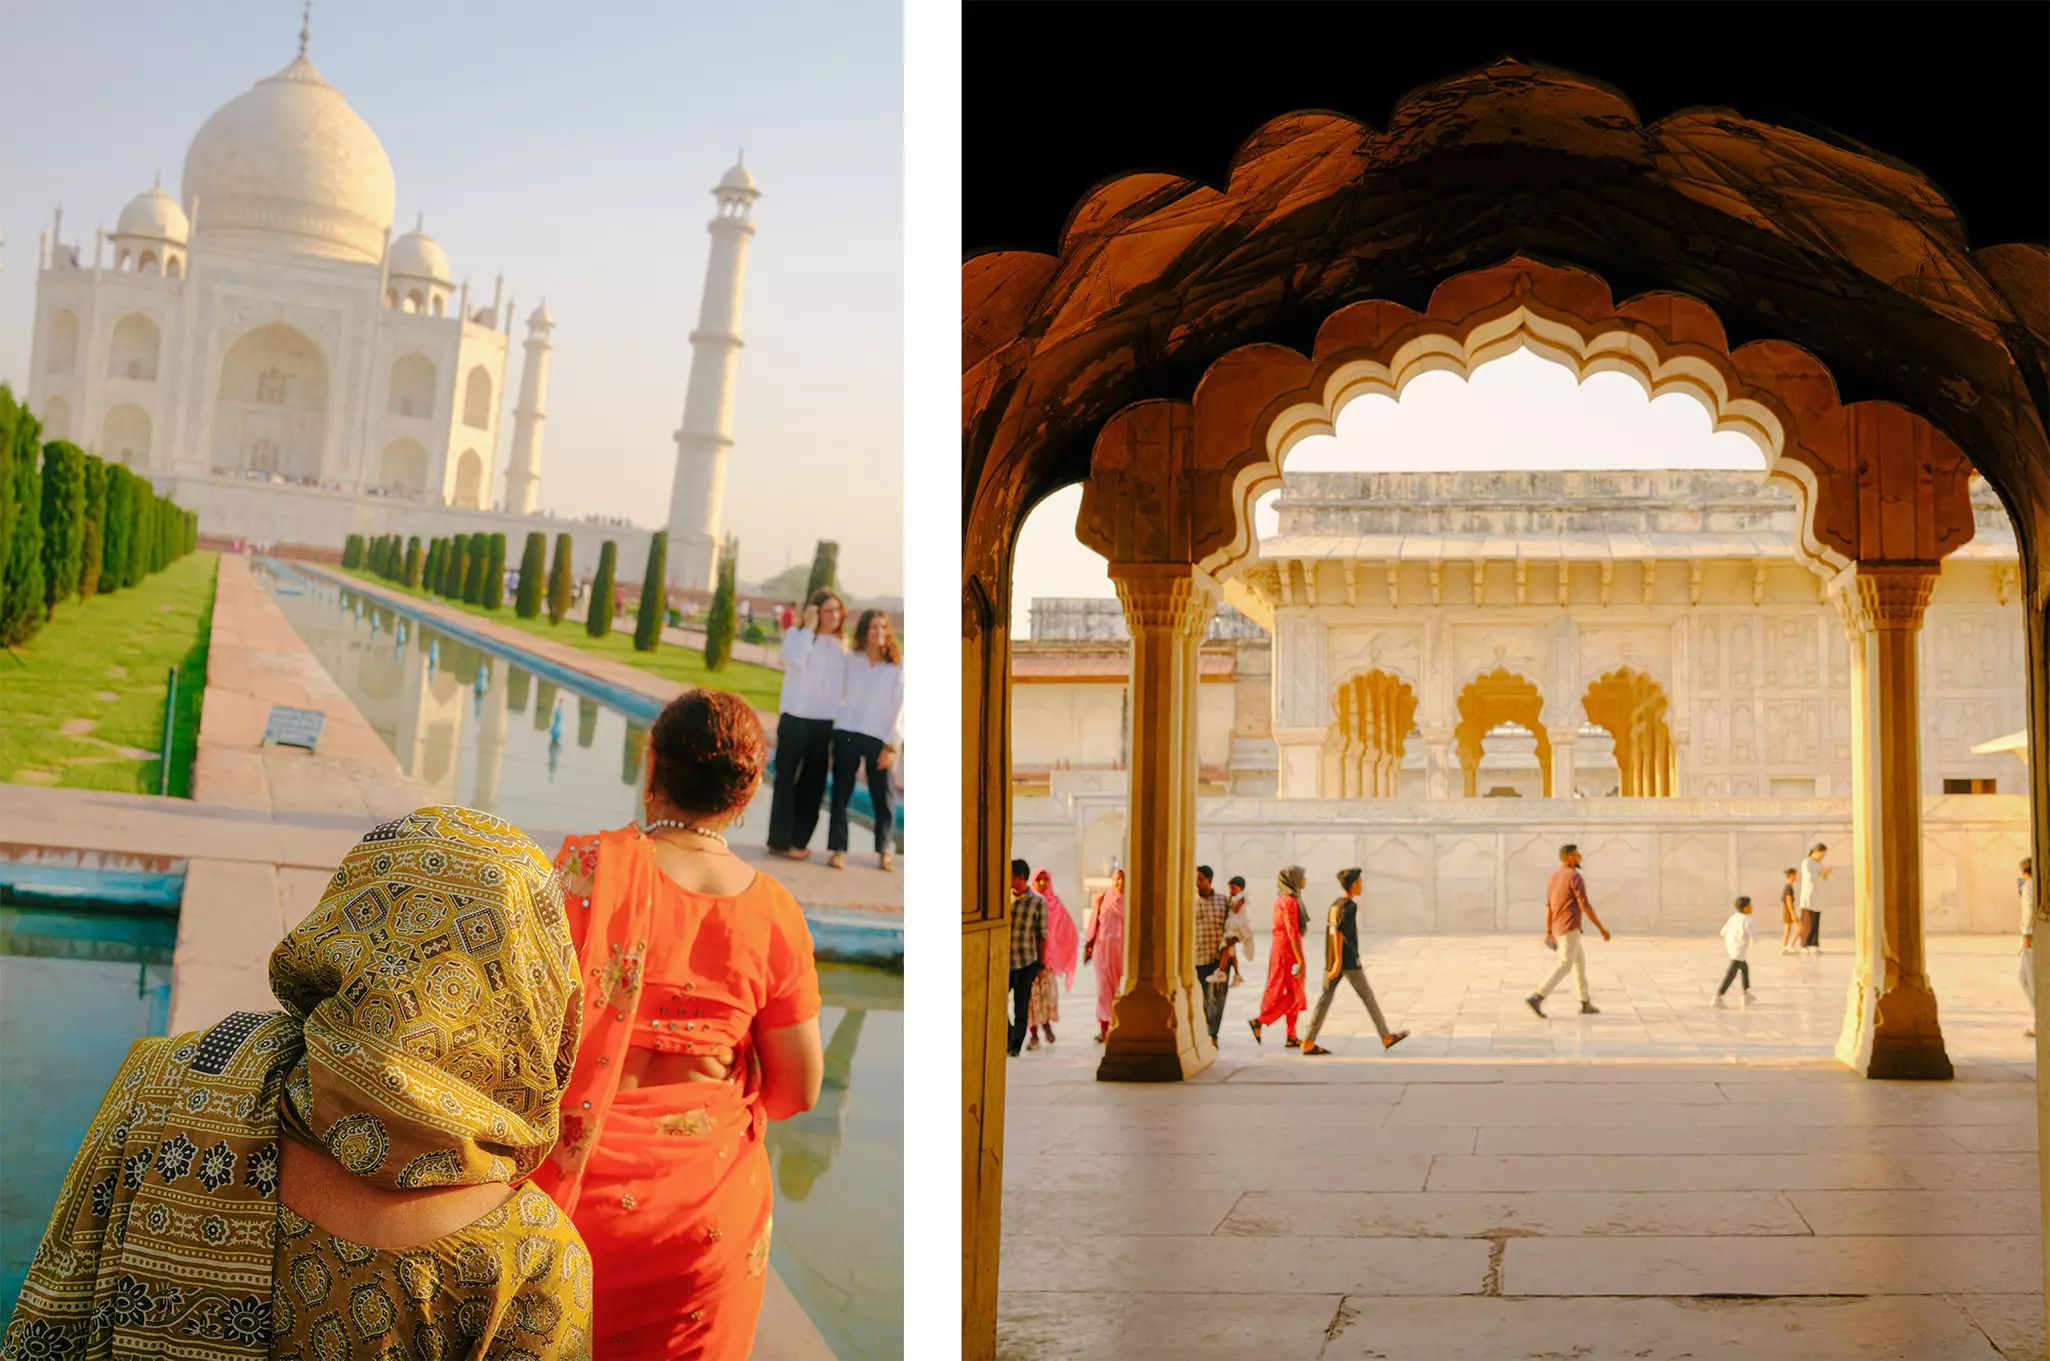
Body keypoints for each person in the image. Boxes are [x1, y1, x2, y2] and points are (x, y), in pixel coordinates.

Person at [4, 808, 594, 1360]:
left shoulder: (173, 1079)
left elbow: (54, 1316)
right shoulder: (531, 1257)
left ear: (346, 923)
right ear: (533, 984)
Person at [535, 689, 825, 1359]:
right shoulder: (775, 913)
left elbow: (522, 1032)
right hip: (703, 1214)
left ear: (651, 762)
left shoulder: (586, 870)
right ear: (745, 794)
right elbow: (796, 1092)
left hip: (574, 1197)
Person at [768, 589, 849, 861]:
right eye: (829, 610)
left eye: (838, 611)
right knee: (786, 781)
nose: (835, 616)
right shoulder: (797, 636)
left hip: (824, 722)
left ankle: (798, 840)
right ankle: (779, 840)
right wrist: (809, 628)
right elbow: (795, 659)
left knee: (813, 784)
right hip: (795, 717)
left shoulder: (841, 647)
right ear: (816, 612)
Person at [1302, 868, 1410, 1054]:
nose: (1362, 885)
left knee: (1325, 998)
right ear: (1353, 884)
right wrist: (1338, 962)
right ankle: (1386, 1036)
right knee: (1367, 996)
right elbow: (1340, 933)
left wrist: (1333, 961)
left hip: (1332, 961)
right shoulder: (1350, 907)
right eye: (1360, 882)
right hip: (1348, 962)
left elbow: (1332, 931)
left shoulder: (1336, 904)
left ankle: (1308, 1041)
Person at [828, 608, 903, 871]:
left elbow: (901, 707)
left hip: (879, 738)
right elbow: (836, 689)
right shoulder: (852, 660)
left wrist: (892, 745)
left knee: (883, 797)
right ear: (865, 631)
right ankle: (838, 849)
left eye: (883, 627)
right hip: (848, 731)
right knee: (841, 793)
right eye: (873, 627)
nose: (879, 632)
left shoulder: (897, 665)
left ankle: (884, 850)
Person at [1526, 843, 1611, 1019]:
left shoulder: (1554, 876)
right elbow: (1585, 906)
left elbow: (1548, 906)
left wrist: (1549, 931)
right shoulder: (1574, 877)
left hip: (1559, 927)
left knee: (1579, 963)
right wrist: (1602, 929)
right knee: (1566, 963)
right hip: (1570, 927)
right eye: (1577, 854)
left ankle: (1585, 1001)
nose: (1580, 857)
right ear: (1571, 857)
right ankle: (1538, 996)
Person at [1250, 866, 1310, 1047]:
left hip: (1283, 949)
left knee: (1294, 989)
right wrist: (1300, 959)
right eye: (1302, 877)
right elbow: (1292, 931)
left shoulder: (1284, 899)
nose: (1305, 881)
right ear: (1294, 880)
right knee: (1294, 994)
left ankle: (1291, 1035)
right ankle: (1260, 1021)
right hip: (1288, 952)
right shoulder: (1290, 902)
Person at [1028, 868, 1078, 1049]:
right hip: (1030, 959)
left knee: (1047, 997)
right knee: (1031, 999)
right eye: (1039, 879)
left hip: (1048, 962)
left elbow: (1068, 930)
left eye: (1045, 879)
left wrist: (1059, 951)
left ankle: (1046, 1026)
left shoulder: (1056, 904)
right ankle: (1033, 1035)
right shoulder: (1029, 903)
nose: (1042, 883)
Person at [1006, 859, 1049, 1058]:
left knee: (1021, 1006)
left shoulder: (1038, 902)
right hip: (1004, 962)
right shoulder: (1004, 900)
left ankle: (1014, 1046)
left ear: (1020, 877)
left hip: (1026, 962)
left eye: (1010, 874)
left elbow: (1042, 935)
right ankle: (1007, 1037)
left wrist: (1040, 964)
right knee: (996, 1003)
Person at [1084, 868, 1127, 1042]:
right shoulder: (1103, 900)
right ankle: (1104, 1027)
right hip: (1103, 951)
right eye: (1117, 878)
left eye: (1124, 878)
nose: (1120, 882)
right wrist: (1088, 945)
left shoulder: (1132, 902)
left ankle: (1120, 1025)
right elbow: (1094, 925)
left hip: (1123, 953)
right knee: (1103, 990)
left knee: (1121, 990)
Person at [1192, 865, 1231, 1043]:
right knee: (1200, 998)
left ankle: (1212, 1034)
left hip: (1218, 960)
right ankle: (1202, 1032)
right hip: (1197, 958)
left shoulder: (1223, 902)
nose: (1197, 883)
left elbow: (1233, 929)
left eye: (1200, 879)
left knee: (1217, 1000)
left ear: (1210, 880)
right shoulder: (1190, 903)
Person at [1713, 895, 1758, 1008]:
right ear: (1745, 908)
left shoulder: (1733, 917)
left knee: (1744, 967)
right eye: (1750, 905)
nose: (1752, 907)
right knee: (1731, 973)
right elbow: (1754, 937)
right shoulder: (1748, 921)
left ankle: (1746, 992)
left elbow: (1723, 932)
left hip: (1731, 947)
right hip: (1739, 950)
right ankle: (1718, 996)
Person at [1220, 876, 1255, 987]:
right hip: (1232, 925)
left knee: (1227, 946)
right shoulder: (1234, 897)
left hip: (1237, 926)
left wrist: (1229, 901)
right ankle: (1237, 975)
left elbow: (1236, 909)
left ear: (1241, 888)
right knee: (1231, 951)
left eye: (1233, 888)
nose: (1231, 891)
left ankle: (1221, 970)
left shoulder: (1242, 897)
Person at [1797, 842, 1832, 953]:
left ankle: (1814, 944)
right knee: (1808, 921)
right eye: (1822, 854)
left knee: (1816, 921)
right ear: (1816, 852)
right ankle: (1804, 944)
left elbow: (1820, 878)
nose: (1822, 857)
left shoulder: (1819, 864)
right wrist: (1821, 873)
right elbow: (1809, 877)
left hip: (1817, 896)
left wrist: (1825, 874)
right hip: (1808, 897)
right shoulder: (1806, 862)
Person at [2021, 858, 2036, 1039]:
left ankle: (2038, 1021)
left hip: (2031, 941)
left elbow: (2029, 910)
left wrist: (2027, 934)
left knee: (2029, 980)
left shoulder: (2030, 886)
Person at [1779, 866, 1802, 954]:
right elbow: (1788, 902)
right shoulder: (1788, 887)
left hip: (1786, 910)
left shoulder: (1788, 886)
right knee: (1800, 927)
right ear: (1791, 875)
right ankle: (1790, 945)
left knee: (1787, 929)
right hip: (1788, 910)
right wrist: (1793, 914)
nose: (1797, 877)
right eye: (1796, 875)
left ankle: (1784, 947)